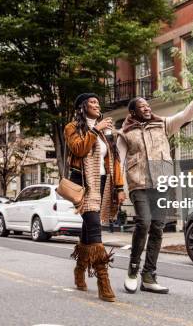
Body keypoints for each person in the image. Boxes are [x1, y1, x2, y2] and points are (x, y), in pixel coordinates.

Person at [118, 76, 193, 294]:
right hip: (138, 184)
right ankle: (132, 269)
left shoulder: (162, 125)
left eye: (148, 105)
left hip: (161, 183)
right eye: (142, 106)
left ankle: (149, 276)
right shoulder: (125, 134)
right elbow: (119, 162)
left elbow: (185, 115)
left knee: (157, 228)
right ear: (133, 112)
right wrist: (119, 187)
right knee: (144, 222)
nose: (147, 108)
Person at [64, 93, 126, 302]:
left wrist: (119, 187)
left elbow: (114, 160)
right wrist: (95, 130)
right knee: (94, 227)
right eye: (92, 102)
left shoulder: (106, 131)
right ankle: (103, 281)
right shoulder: (72, 127)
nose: (96, 104)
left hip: (103, 183)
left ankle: (79, 268)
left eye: (98, 102)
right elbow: (79, 149)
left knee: (88, 228)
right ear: (82, 107)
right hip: (83, 183)